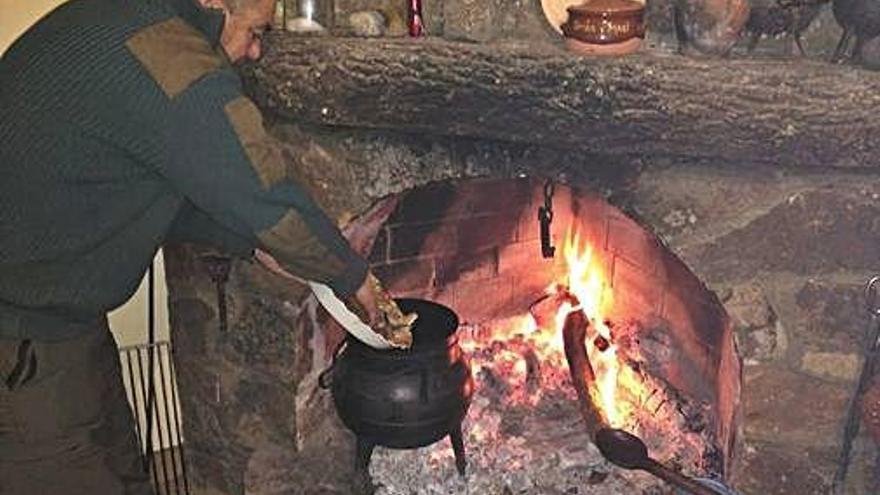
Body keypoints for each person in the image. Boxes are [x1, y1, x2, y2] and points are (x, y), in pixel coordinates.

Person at [0, 0, 411, 493]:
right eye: (254, 31)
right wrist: (355, 279)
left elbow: (146, 186)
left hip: (60, 323)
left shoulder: (125, 19)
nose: (256, 51)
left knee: (119, 466)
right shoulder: (168, 55)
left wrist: (246, 243)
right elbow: (265, 192)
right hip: (24, 341)